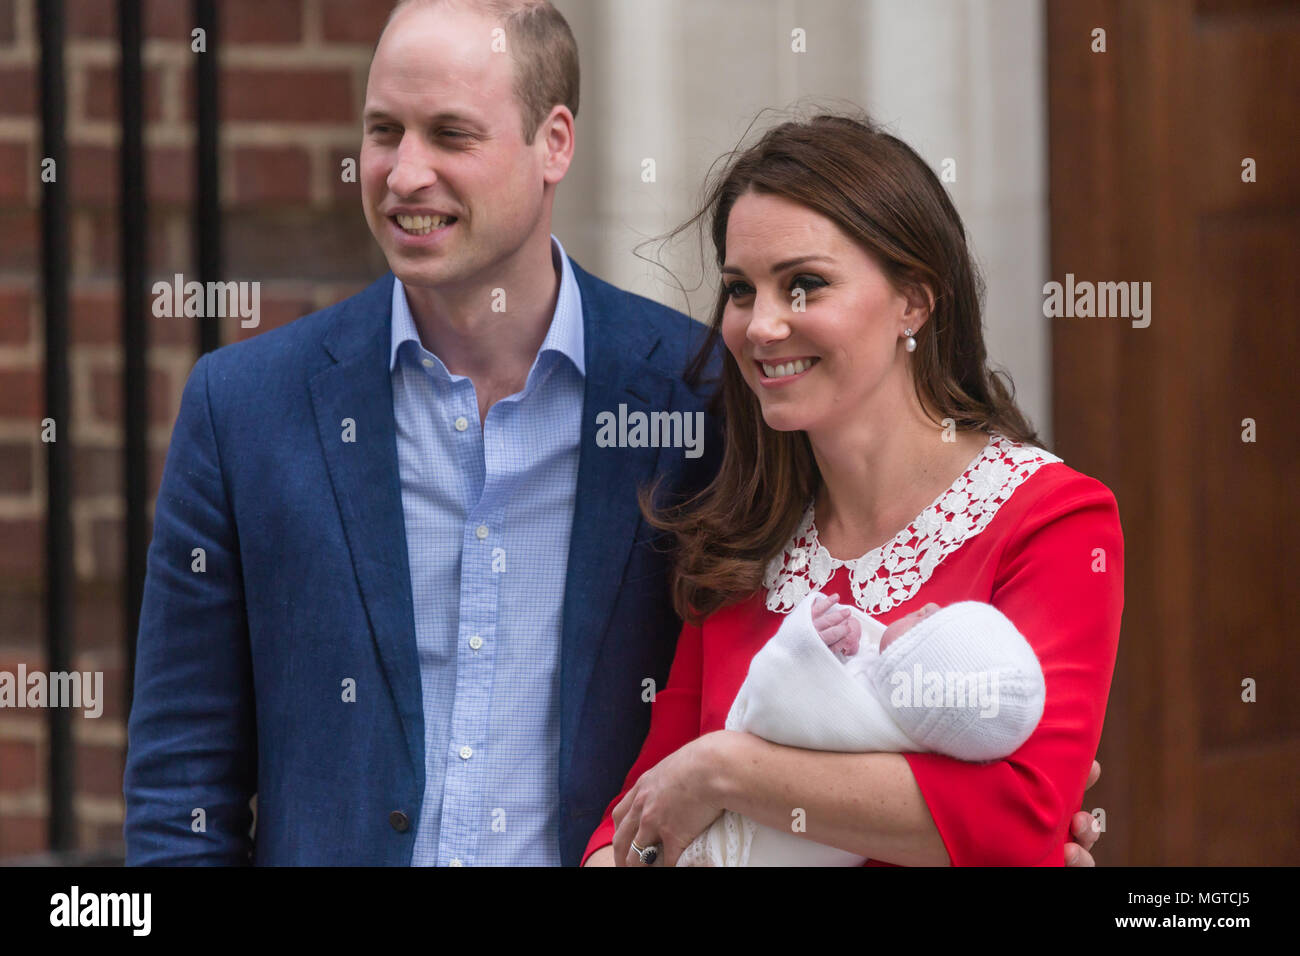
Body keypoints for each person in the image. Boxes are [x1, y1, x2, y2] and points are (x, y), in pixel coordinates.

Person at [123, 0, 1103, 867]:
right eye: (383, 131)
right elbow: (181, 786)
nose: (403, 172)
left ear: (554, 143)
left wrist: (738, 775)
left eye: (450, 132)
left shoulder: (700, 407)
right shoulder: (244, 405)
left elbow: (1010, 810)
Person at [583, 113, 1123, 867]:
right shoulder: (741, 533)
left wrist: (723, 771)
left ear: (915, 300)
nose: (762, 325)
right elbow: (633, 823)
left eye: (804, 285)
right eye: (742, 290)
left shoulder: (1054, 519)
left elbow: (1021, 818)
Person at [680, 592, 1048, 866]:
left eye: (927, 626)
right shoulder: (922, 734)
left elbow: (772, 704)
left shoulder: (865, 717)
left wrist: (806, 644)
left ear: (906, 676)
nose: (930, 607)